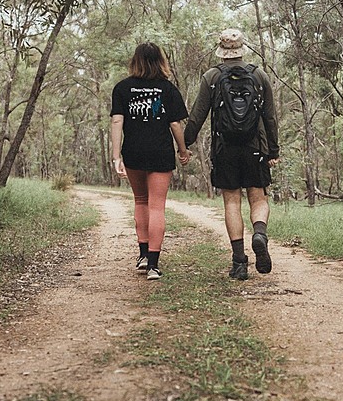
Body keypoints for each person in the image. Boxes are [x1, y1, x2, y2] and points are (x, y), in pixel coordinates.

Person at [183, 28, 279, 281]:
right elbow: (269, 117)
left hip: (224, 149)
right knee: (258, 199)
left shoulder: (212, 76)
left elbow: (197, 116)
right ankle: (259, 234)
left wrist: (185, 144)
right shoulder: (259, 76)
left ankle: (239, 263)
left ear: (222, 52)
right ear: (242, 49)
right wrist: (273, 150)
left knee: (232, 202)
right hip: (255, 147)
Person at [109, 42, 191, 281]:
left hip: (133, 151)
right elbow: (175, 124)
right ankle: (153, 265)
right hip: (160, 152)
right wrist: (183, 150)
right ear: (161, 61)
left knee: (141, 201)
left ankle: (143, 255)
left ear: (135, 61)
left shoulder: (122, 88)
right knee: (157, 205)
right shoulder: (167, 89)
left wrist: (116, 157)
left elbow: (117, 121)